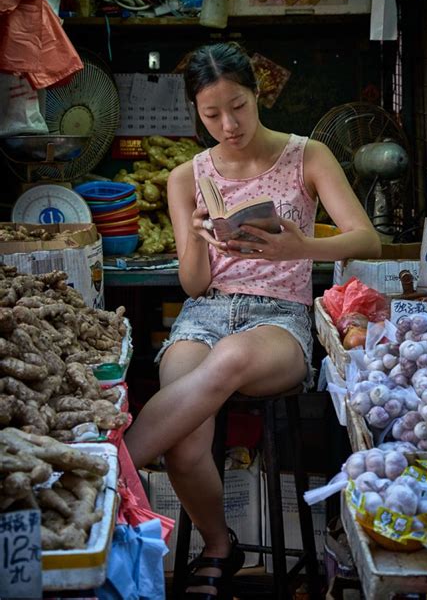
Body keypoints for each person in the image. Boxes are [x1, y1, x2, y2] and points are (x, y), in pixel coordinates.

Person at [125, 41, 381, 598]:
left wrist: (300, 250)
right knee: (187, 434)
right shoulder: (186, 176)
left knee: (230, 358)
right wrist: (193, 238)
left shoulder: (306, 155)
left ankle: (111, 473)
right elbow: (193, 285)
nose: (228, 124)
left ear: (256, 92)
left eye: (237, 106)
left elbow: (368, 238)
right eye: (212, 114)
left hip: (278, 319)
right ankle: (220, 545)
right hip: (207, 308)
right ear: (196, 110)